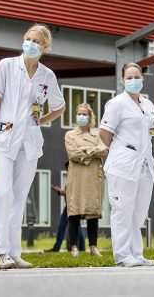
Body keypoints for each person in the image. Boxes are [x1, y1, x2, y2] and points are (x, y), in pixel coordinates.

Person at [0, 25, 66, 270]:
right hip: (4, 139)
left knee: (19, 199)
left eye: (35, 40)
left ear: (45, 47)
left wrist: (41, 121)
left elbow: (59, 106)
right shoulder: (6, 65)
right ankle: (1, 251)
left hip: (29, 143)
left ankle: (15, 252)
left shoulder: (47, 76)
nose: (30, 43)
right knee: (2, 194)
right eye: (27, 39)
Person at [99, 63, 154, 267]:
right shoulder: (116, 104)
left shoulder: (148, 105)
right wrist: (118, 152)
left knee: (138, 212)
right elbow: (104, 133)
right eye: (129, 77)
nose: (134, 81)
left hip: (144, 165)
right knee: (122, 211)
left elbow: (151, 132)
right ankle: (122, 255)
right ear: (123, 80)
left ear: (142, 78)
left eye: (137, 76)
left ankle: (136, 253)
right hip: (123, 165)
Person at [65, 103, 108, 257]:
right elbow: (73, 155)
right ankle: (74, 246)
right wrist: (92, 153)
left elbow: (104, 150)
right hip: (76, 177)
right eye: (79, 113)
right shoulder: (70, 135)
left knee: (93, 212)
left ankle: (93, 247)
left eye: (85, 114)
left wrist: (86, 150)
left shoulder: (97, 135)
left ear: (90, 117)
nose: (81, 116)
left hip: (93, 177)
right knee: (74, 211)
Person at [46, 171, 87, 253]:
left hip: (74, 207)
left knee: (77, 227)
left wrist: (59, 191)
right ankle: (57, 248)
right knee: (64, 226)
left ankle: (82, 248)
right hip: (68, 207)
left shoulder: (76, 180)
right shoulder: (71, 179)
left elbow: (71, 193)